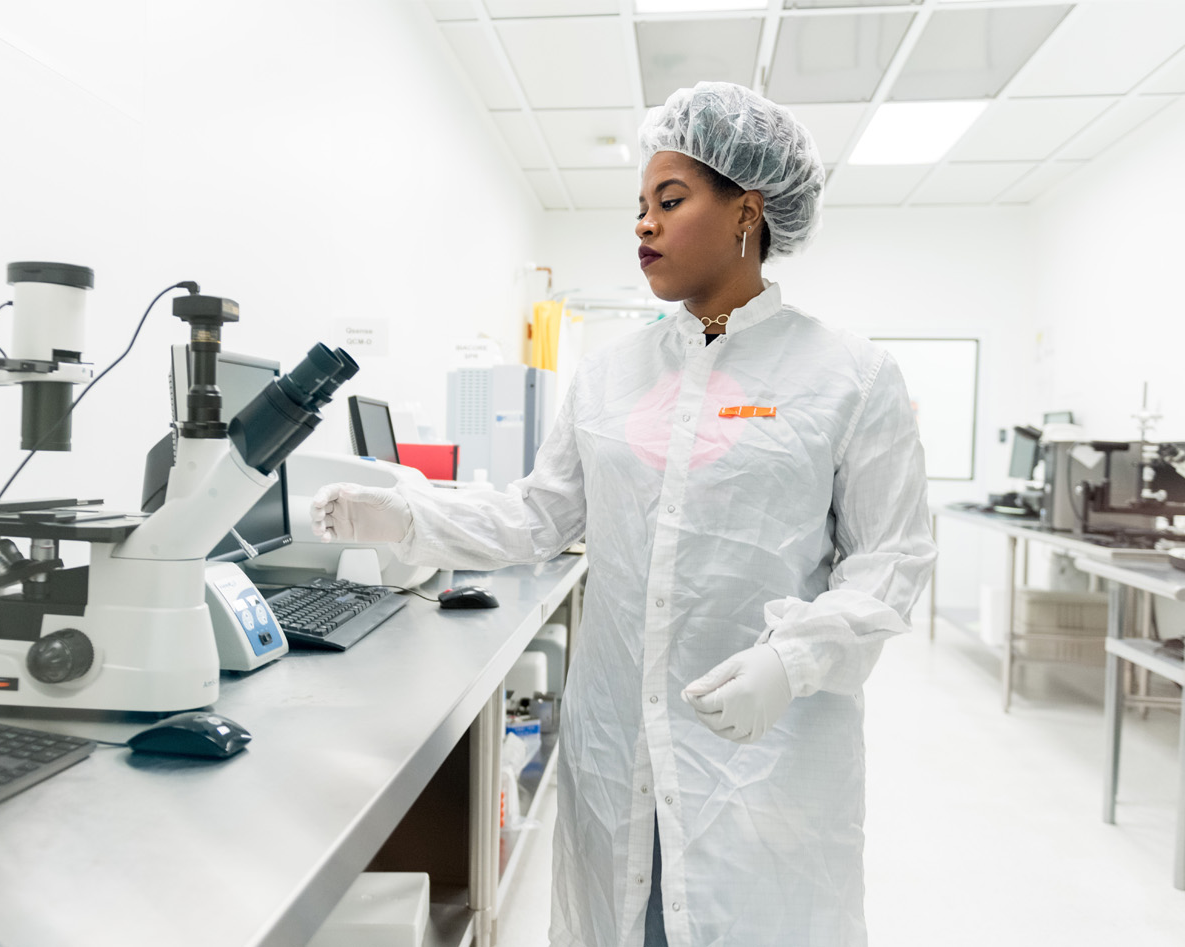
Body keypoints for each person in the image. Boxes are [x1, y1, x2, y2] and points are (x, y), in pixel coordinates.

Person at [311, 81, 936, 947]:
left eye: (669, 201)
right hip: (618, 756)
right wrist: (404, 517)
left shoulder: (848, 377)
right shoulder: (612, 375)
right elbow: (539, 515)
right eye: (639, 204)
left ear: (747, 211)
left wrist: (791, 662)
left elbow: (893, 562)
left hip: (765, 762)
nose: (642, 224)